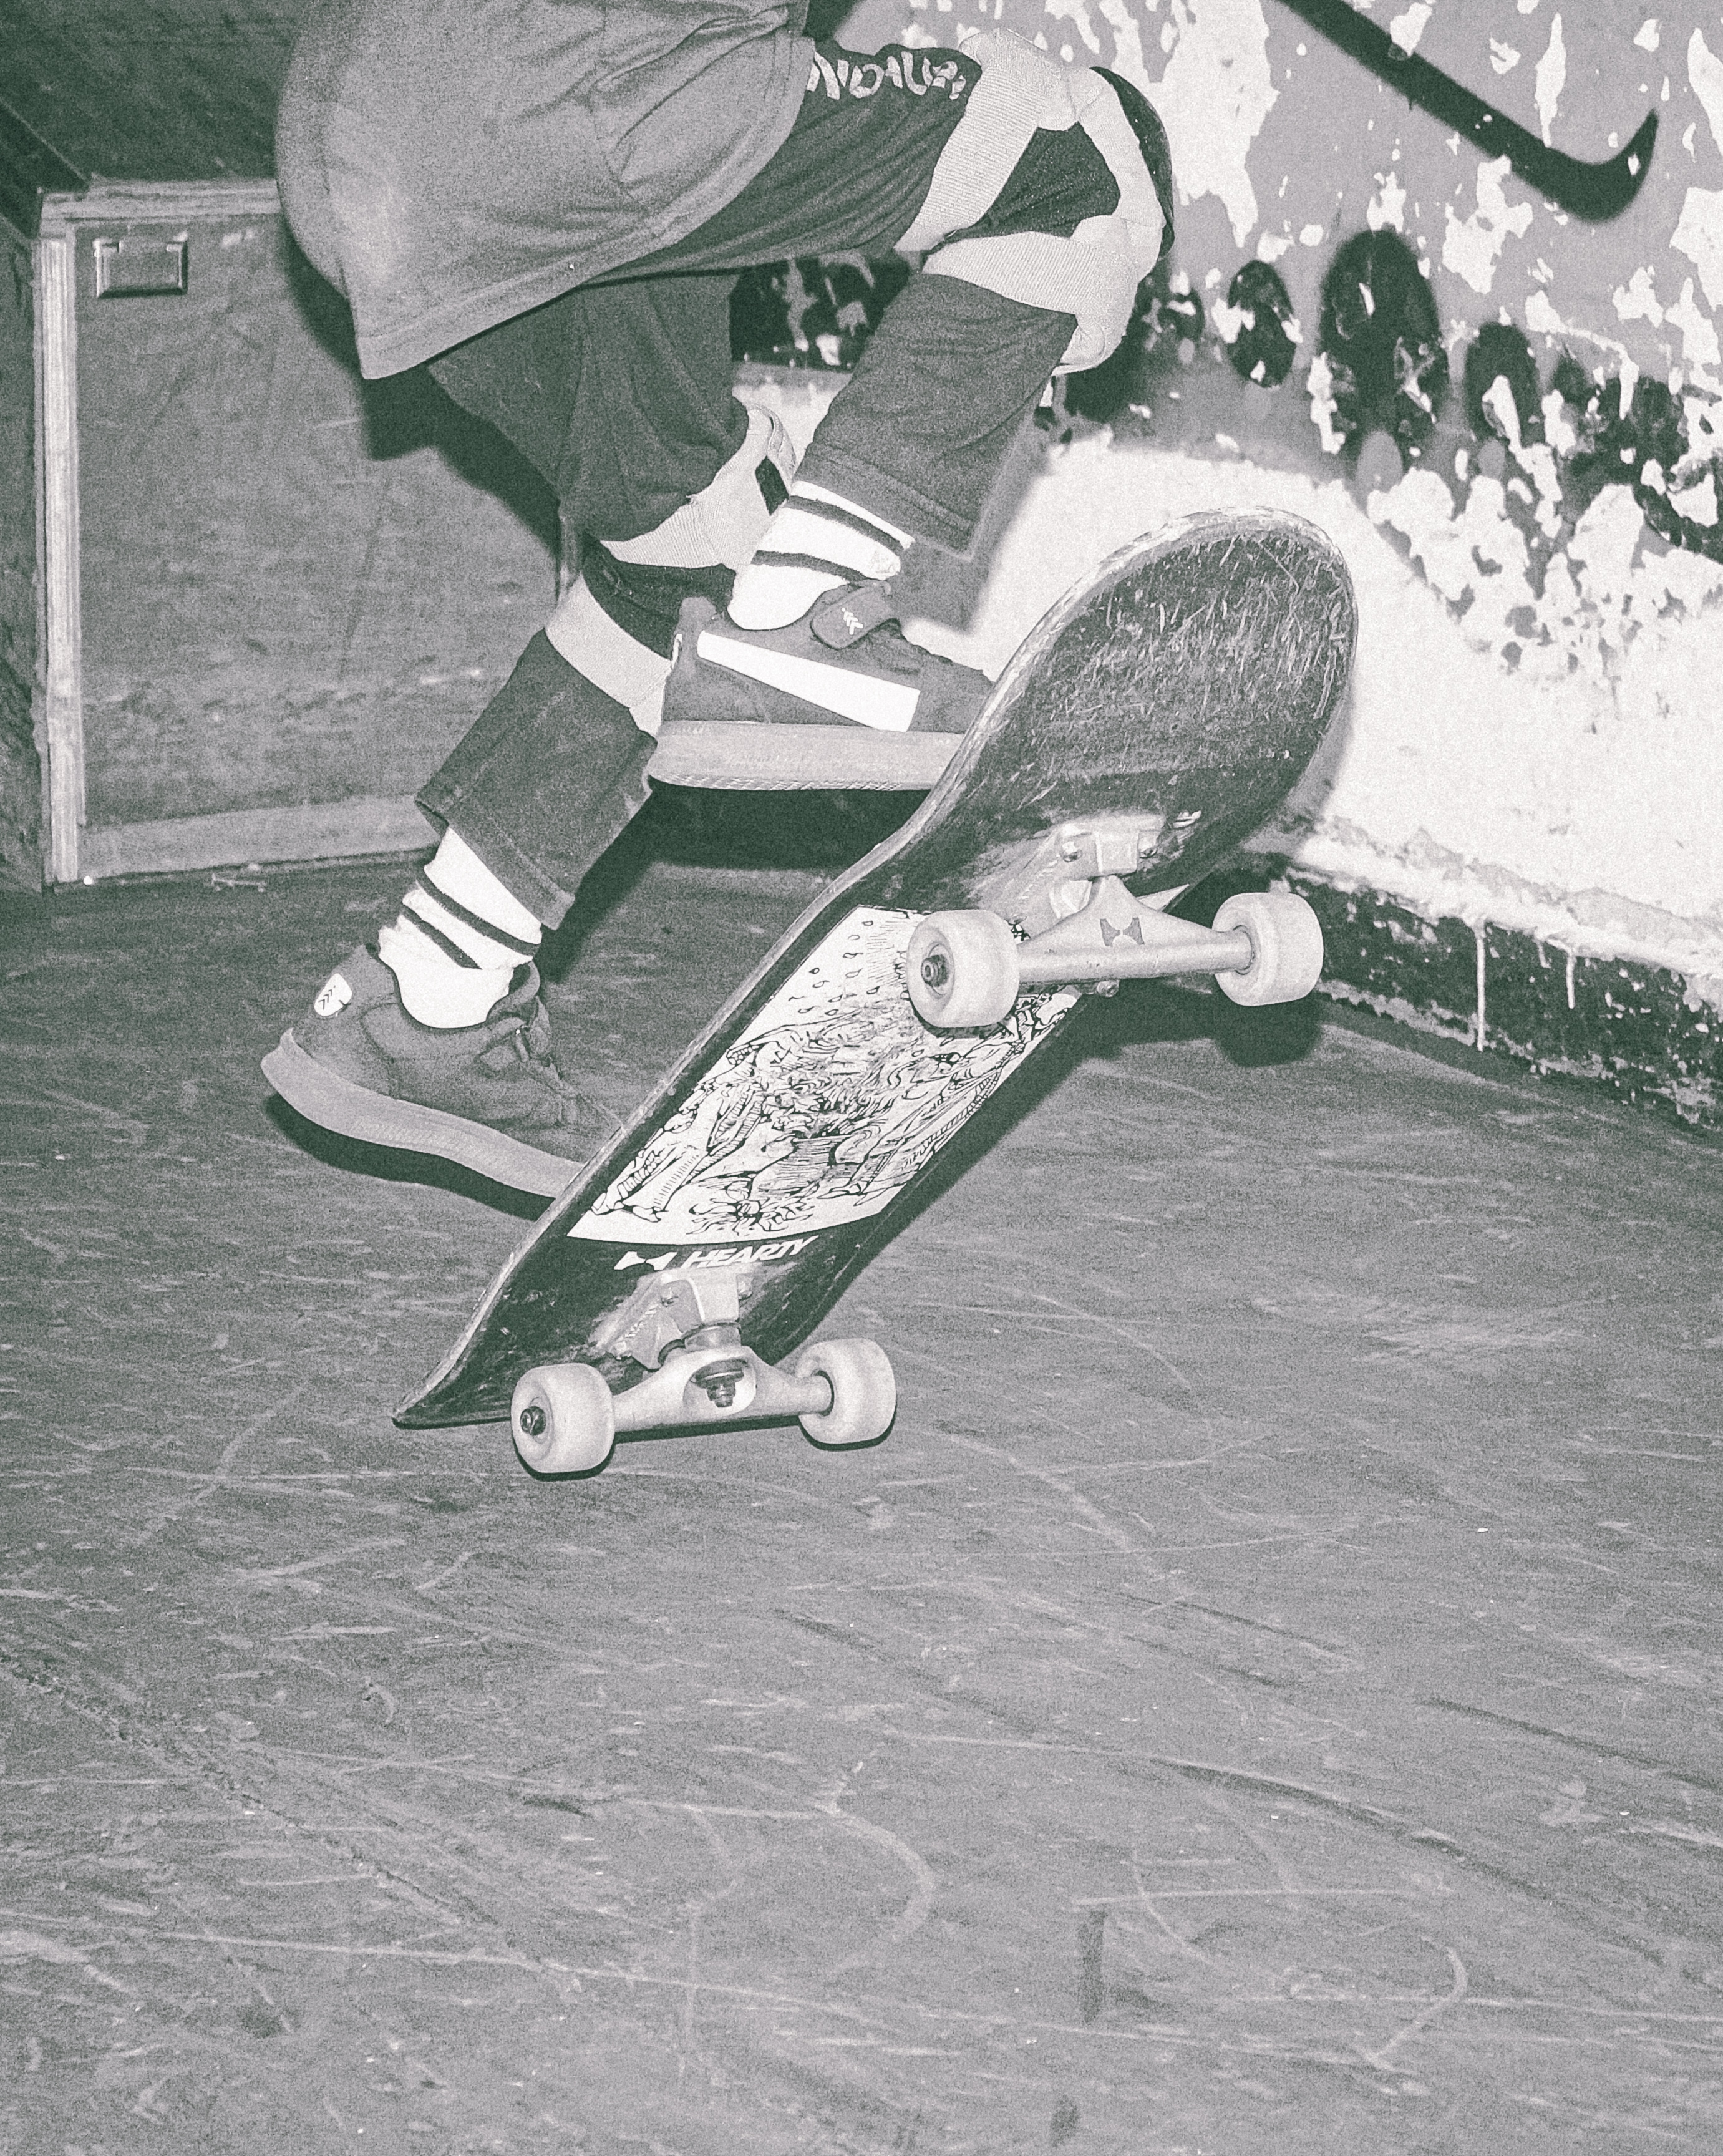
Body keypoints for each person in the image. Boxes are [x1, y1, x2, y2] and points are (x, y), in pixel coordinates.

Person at [263, 0, 1174, 1193]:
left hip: (362, 138)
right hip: (559, 93)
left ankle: (426, 1000)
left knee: (691, 561)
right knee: (1088, 160)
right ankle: (811, 612)